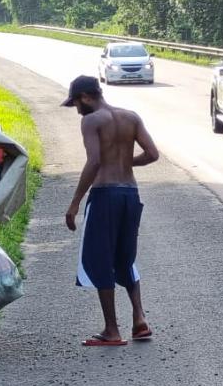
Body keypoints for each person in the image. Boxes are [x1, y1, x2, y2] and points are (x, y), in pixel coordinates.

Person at [60, 75, 160, 346]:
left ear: (85, 97)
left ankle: (112, 330)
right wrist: (127, 161)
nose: (77, 110)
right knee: (125, 258)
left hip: (105, 195)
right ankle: (139, 320)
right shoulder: (131, 117)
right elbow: (152, 154)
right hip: (130, 193)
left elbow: (93, 162)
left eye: (76, 104)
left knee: (101, 258)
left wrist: (75, 202)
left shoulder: (91, 120)